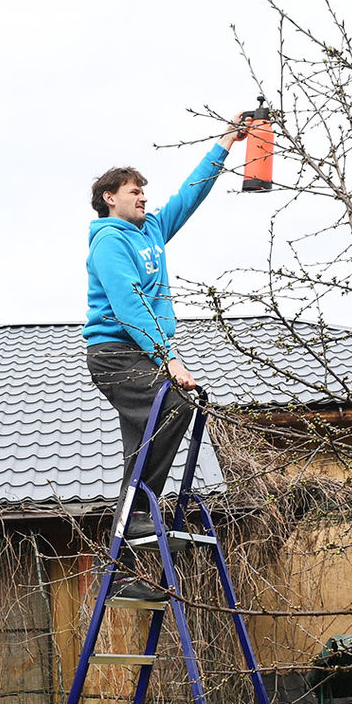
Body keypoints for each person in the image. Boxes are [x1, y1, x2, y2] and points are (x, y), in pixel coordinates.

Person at [83, 112, 247, 600]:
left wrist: (226, 142)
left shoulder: (152, 229)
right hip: (115, 355)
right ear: (110, 198)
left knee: (142, 451)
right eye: (134, 191)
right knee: (175, 403)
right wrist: (169, 357)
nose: (143, 197)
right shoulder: (108, 242)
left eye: (143, 192)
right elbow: (129, 304)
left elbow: (190, 194)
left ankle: (121, 573)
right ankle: (137, 514)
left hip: (142, 354)